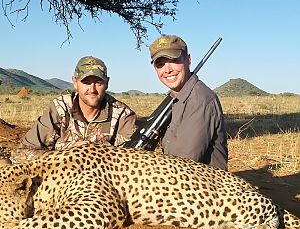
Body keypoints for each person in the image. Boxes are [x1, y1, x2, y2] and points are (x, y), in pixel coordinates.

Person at [10, 56, 136, 163]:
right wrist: (67, 155)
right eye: (86, 82)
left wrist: (96, 154)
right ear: (75, 82)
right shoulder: (59, 108)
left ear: (107, 83)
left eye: (98, 83)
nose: (92, 89)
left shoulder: (122, 115)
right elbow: (20, 154)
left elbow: (131, 161)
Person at [149, 35, 228, 170]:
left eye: (174, 60)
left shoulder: (200, 99)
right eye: (160, 64)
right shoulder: (175, 97)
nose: (167, 69)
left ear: (188, 60)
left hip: (200, 186)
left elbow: (181, 165)